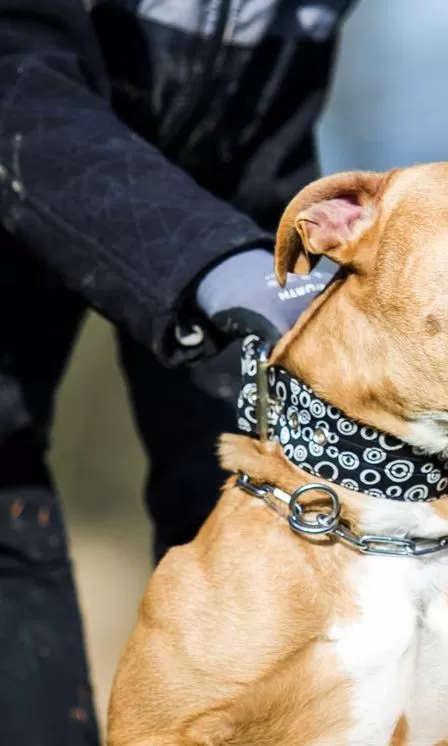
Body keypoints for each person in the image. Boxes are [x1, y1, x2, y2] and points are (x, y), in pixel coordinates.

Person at [0, 1, 363, 743]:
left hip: (219, 188)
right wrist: (218, 263)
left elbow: (259, 144)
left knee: (257, 505)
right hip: (33, 121)